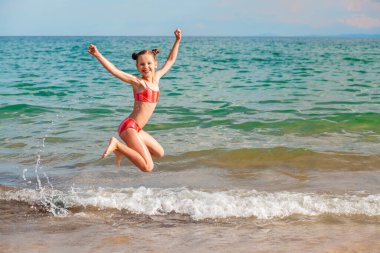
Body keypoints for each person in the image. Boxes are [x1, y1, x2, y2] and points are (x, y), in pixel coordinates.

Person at [88, 28, 182, 172]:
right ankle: (117, 145)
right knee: (147, 167)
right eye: (142, 64)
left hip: (137, 129)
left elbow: (170, 60)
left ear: (155, 64)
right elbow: (115, 71)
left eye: (149, 63)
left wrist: (177, 40)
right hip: (129, 127)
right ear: (137, 66)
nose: (146, 67)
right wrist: (98, 54)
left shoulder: (156, 79)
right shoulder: (138, 83)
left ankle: (121, 150)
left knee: (159, 153)